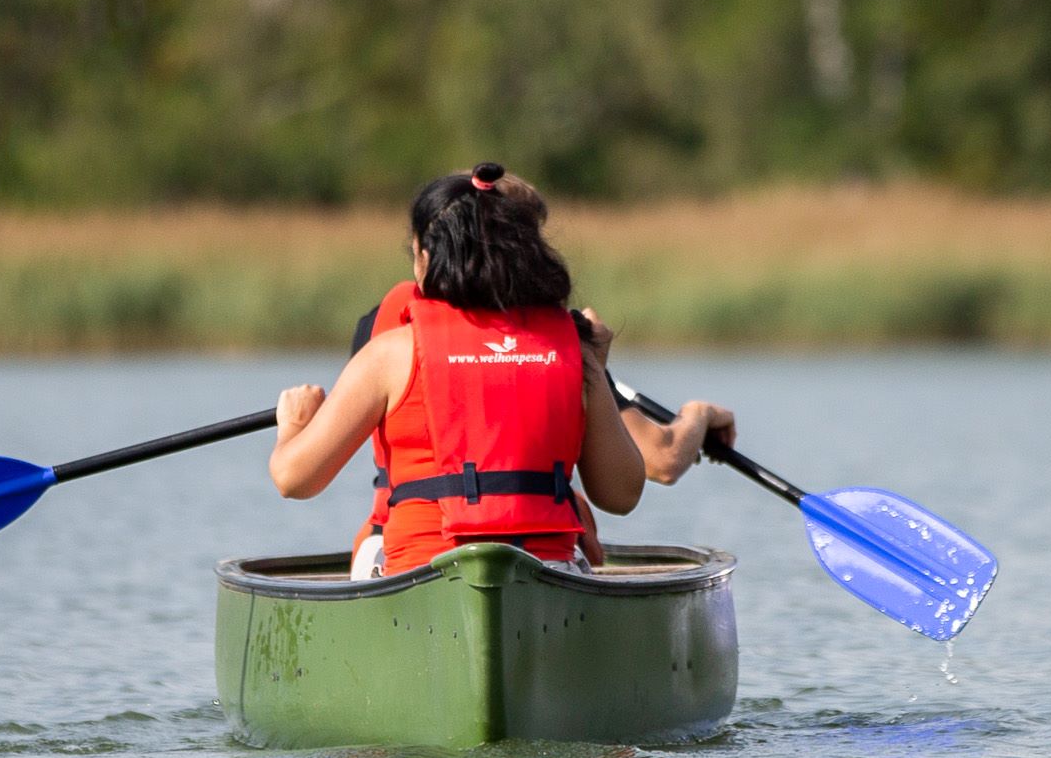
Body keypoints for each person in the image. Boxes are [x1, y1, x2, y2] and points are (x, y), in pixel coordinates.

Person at [270, 163, 662, 577]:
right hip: (546, 568)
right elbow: (621, 494)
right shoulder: (574, 350)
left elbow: (295, 480)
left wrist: (293, 426)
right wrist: (593, 372)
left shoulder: (389, 354)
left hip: (420, 570)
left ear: (426, 256)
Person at [339, 175, 737, 571]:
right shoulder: (556, 344)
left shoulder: (384, 331)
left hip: (402, 547)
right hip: (529, 552)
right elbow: (661, 458)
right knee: (577, 517)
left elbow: (296, 475)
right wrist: (696, 415)